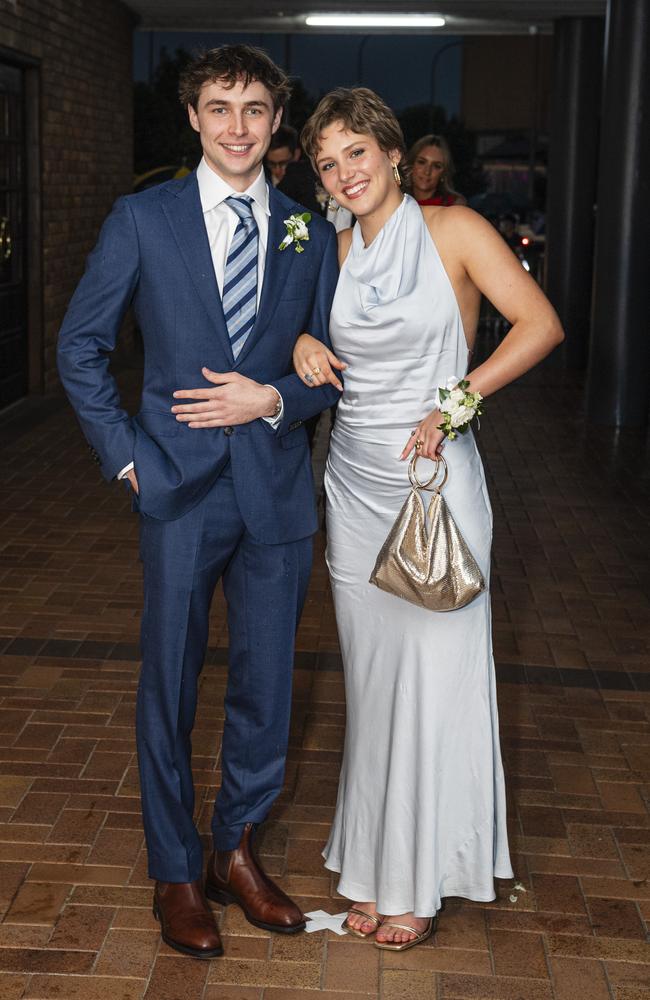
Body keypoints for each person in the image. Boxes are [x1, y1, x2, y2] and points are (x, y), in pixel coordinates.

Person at [57, 45, 340, 960]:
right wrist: (129, 462)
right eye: (219, 108)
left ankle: (236, 851)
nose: (238, 127)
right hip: (175, 492)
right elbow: (80, 348)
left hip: (276, 494)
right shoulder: (144, 218)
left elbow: (329, 367)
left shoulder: (305, 230)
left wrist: (279, 400)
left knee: (266, 689)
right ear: (192, 117)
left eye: (255, 109)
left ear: (276, 121)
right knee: (169, 687)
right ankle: (176, 870)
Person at [295, 88, 564, 951]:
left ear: (390, 150)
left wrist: (456, 403)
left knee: (432, 685)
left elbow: (540, 325)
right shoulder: (330, 252)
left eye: (355, 154)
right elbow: (297, 348)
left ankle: (422, 881)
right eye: (328, 163)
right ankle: (374, 871)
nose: (344, 173)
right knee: (374, 691)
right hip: (353, 485)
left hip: (432, 490)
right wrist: (299, 345)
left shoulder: (455, 233)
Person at [265, 123, 323, 216]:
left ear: (296, 154)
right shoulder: (262, 179)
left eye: (283, 163)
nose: (277, 170)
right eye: (272, 164)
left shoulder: (308, 180)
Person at [405, 133, 467, 206]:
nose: (427, 171)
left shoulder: (454, 205)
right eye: (422, 162)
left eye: (436, 166)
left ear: (444, 173)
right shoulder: (396, 200)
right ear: (411, 164)